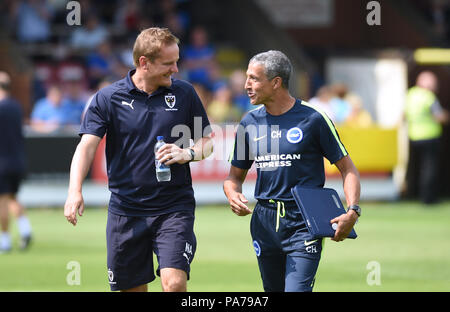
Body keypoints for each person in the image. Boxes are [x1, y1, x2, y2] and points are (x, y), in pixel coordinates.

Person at [64, 27, 213, 292]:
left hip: (173, 207)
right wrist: (74, 191)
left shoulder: (185, 93)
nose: (176, 69)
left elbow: (208, 141)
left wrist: (187, 153)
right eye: (169, 63)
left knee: (174, 283)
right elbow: (86, 146)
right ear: (144, 62)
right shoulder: (108, 98)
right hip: (126, 210)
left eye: (177, 61)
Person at [223, 51, 361, 292]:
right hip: (263, 223)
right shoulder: (249, 123)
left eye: (254, 78)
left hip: (303, 223)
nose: (247, 85)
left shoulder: (313, 118)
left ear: (276, 82)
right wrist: (232, 194)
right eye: (247, 78)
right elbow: (233, 178)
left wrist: (353, 210)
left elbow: (347, 169)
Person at [404, 71, 449, 204]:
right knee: (429, 169)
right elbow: (439, 116)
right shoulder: (429, 97)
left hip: (414, 136)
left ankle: (412, 194)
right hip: (430, 136)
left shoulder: (410, 94)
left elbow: (403, 114)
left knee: (415, 167)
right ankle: (428, 198)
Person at [0, 71, 32, 253]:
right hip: (18, 160)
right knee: (12, 197)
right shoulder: (16, 107)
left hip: (2, 162)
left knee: (2, 201)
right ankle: (25, 228)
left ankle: (4, 241)